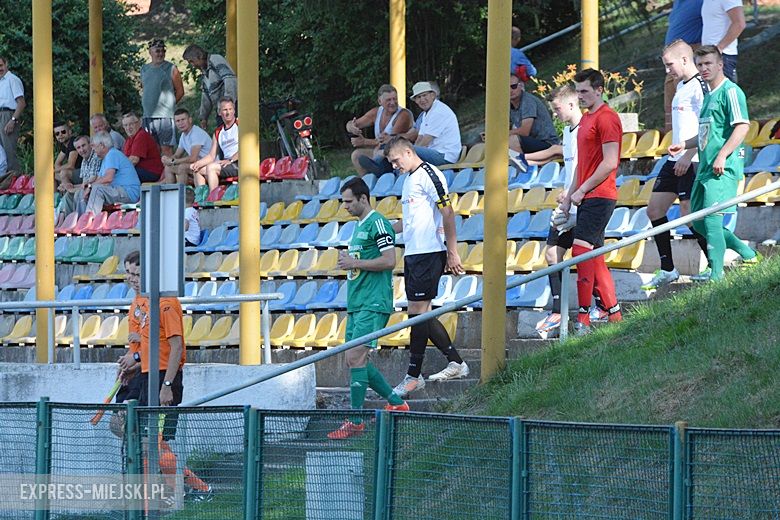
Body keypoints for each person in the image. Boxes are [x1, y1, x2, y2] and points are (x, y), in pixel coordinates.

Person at [116, 251, 213, 503]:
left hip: (163, 378)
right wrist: (134, 364)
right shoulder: (141, 303)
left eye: (136, 274)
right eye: (128, 273)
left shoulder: (166, 303)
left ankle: (178, 492)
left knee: (152, 441)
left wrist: (167, 384)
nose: (131, 279)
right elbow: (144, 345)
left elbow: (175, 347)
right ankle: (185, 488)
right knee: (130, 431)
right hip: (146, 374)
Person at [382, 137, 468, 398]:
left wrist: (452, 252)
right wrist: (382, 229)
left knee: (417, 314)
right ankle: (456, 362)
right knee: (421, 314)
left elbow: (448, 212)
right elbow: (410, 221)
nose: (395, 166)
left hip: (430, 252)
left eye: (396, 161)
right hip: (414, 253)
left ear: (408, 152)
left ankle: (413, 375)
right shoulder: (409, 178)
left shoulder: (430, 174)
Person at [327, 178, 410, 440]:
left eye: (349, 201)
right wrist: (351, 263)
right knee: (355, 359)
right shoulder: (359, 226)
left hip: (373, 303)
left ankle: (355, 420)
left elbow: (389, 260)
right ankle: (396, 402)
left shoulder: (378, 223)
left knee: (355, 358)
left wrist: (355, 262)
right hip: (358, 302)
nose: (346, 207)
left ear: (364, 198)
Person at [669, 45, 760, 282]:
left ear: (720, 64)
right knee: (697, 221)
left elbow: (742, 126)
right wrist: (685, 145)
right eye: (700, 65)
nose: (704, 68)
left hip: (722, 167)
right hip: (705, 167)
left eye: (708, 63)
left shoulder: (731, 91)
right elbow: (706, 135)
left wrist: (722, 155)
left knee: (711, 220)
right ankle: (748, 254)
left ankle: (716, 276)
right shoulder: (708, 95)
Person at [559, 69, 623, 336]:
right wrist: (569, 195)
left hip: (600, 195)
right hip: (586, 196)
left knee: (581, 251)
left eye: (585, 91)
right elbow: (581, 165)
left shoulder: (608, 118)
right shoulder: (586, 119)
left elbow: (611, 161)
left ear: (599, 90)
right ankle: (615, 315)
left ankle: (583, 318)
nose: (581, 96)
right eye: (579, 91)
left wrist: (582, 189)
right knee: (595, 257)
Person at [643, 40, 710, 291]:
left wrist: (688, 153)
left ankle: (714, 264)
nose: (667, 70)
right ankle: (668, 269)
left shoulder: (699, 86)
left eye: (669, 64)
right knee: (654, 210)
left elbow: (707, 125)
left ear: (684, 60)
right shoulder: (680, 85)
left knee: (689, 213)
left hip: (692, 160)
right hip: (675, 158)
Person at [529, 86, 590, 337]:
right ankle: (558, 311)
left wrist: (573, 193)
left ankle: (595, 307)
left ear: (572, 104)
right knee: (553, 254)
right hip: (569, 200)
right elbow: (571, 167)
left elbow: (586, 166)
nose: (555, 114)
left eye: (557, 108)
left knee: (588, 255)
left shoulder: (586, 129)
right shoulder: (567, 131)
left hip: (583, 200)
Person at [346, 84, 413, 175]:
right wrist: (351, 127)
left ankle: (380, 171)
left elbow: (390, 142)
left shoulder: (404, 115)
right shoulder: (376, 112)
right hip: (380, 150)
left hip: (396, 153)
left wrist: (364, 142)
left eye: (395, 99)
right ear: (380, 101)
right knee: (356, 155)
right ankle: (367, 183)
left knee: (383, 152)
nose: (393, 103)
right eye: (388, 100)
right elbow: (353, 123)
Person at [663, 0, 703, 131]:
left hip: (687, 57)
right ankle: (671, 138)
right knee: (672, 103)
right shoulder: (678, 3)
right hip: (672, 59)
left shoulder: (703, 2)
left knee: (687, 104)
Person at [79, 131, 140, 215]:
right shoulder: (105, 158)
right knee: (82, 191)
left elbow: (108, 178)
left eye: (94, 146)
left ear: (102, 145)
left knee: (97, 189)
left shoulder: (112, 154)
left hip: (128, 192)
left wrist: (90, 186)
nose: (93, 150)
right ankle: (81, 220)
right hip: (118, 191)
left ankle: (90, 219)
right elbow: (100, 179)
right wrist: (87, 185)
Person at [141, 39, 185, 156]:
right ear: (150, 52)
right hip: (147, 116)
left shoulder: (171, 68)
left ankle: (169, 174)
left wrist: (170, 105)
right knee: (152, 150)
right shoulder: (144, 69)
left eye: (163, 51)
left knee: (166, 150)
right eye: (157, 51)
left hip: (165, 117)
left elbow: (180, 91)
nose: (160, 54)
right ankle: (158, 174)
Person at [182, 44, 237, 129]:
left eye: (191, 61)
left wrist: (228, 104)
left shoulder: (215, 59)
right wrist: (203, 117)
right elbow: (206, 96)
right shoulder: (204, 71)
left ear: (199, 56)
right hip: (221, 109)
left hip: (232, 107)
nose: (192, 65)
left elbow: (229, 79)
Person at [190, 98, 238, 192]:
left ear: (234, 110)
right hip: (226, 164)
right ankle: (201, 198)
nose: (228, 112)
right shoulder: (218, 131)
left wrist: (231, 159)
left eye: (230, 109)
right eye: (225, 110)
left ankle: (214, 198)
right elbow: (211, 156)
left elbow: (246, 149)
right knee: (198, 170)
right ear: (219, 112)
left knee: (211, 167)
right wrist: (197, 164)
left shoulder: (240, 124)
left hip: (238, 163)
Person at [508, 74, 559, 155]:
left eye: (513, 86)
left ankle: (524, 166)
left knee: (512, 140)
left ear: (521, 86)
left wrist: (501, 134)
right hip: (533, 143)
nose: (510, 90)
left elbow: (524, 131)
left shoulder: (528, 101)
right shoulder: (509, 105)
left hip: (549, 145)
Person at [162, 108, 212, 185]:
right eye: (178, 121)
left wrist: (173, 161)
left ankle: (181, 195)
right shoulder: (183, 135)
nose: (181, 123)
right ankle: (171, 194)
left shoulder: (196, 133)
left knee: (183, 167)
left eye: (183, 119)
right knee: (168, 168)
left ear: (190, 120)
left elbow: (193, 158)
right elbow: (177, 155)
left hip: (208, 165)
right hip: (196, 165)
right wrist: (167, 159)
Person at [56, 135, 102, 217]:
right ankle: (69, 222)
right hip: (88, 187)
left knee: (78, 193)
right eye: (78, 148)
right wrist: (69, 186)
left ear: (90, 144)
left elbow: (91, 183)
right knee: (67, 196)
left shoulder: (95, 157)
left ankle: (81, 221)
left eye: (83, 145)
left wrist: (72, 188)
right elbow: (84, 183)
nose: (82, 150)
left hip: (97, 189)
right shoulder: (84, 160)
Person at [701, 0, 745, 83]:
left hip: (723, 55)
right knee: (711, 94)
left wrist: (719, 48)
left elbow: (739, 24)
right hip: (708, 55)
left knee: (725, 93)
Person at [0, 56, 26, 174]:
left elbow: (21, 103)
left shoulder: (12, 79)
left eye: (0, 65)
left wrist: (13, 120)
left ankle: (14, 180)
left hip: (8, 114)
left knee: (9, 150)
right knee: (1, 152)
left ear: (6, 64)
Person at [122, 112, 164, 183]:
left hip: (151, 172)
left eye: (131, 124)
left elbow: (134, 160)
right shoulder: (129, 139)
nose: (128, 128)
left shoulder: (141, 135)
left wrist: (118, 170)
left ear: (139, 123)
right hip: (140, 170)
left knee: (121, 175)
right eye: (125, 125)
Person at [53, 121, 83, 187]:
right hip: (76, 172)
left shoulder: (73, 142)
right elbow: (57, 163)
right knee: (51, 176)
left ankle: (69, 195)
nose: (60, 135)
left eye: (63, 132)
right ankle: (55, 196)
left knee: (64, 173)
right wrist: (55, 171)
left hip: (83, 172)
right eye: (57, 133)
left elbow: (70, 165)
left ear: (70, 132)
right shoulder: (65, 145)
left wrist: (54, 170)